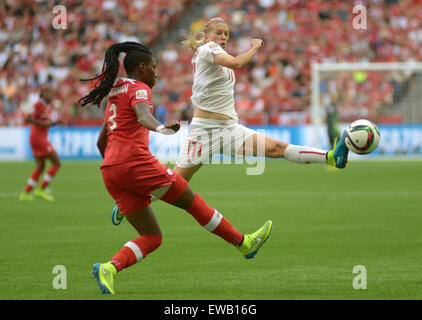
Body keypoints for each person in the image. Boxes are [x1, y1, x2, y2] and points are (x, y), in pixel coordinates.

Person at [111, 17, 350, 225]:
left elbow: (231, 65)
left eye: (226, 34)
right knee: (177, 182)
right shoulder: (207, 50)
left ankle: (330, 156)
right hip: (204, 132)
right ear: (206, 36)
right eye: (219, 33)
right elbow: (238, 63)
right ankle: (127, 205)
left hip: (229, 129)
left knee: (277, 148)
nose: (223, 37)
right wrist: (255, 46)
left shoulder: (216, 54)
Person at [79, 41, 272, 294]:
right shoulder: (138, 87)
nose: (156, 73)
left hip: (111, 171)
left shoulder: (115, 90)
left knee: (152, 237)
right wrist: (161, 128)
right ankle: (243, 243)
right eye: (153, 67)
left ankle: (110, 268)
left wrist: (118, 167)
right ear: (141, 67)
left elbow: (100, 141)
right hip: (136, 163)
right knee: (194, 204)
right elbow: (142, 116)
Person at [19, 86, 62, 201]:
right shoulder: (38, 105)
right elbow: (27, 119)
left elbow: (46, 123)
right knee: (56, 163)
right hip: (38, 139)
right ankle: (42, 189)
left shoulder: (48, 107)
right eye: (49, 92)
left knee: (40, 167)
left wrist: (56, 122)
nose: (51, 95)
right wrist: (43, 123)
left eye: (52, 92)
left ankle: (26, 193)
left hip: (39, 138)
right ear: (43, 94)